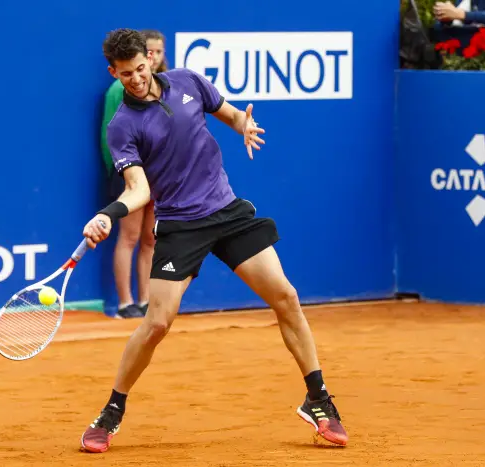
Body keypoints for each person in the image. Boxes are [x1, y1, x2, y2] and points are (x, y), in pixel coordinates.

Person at [80, 28, 348, 453]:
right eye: (125, 73)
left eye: (140, 68)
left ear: (151, 60)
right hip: (180, 226)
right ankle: (112, 409)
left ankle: (318, 399)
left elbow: (229, 113)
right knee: (157, 323)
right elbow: (138, 189)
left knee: (286, 296)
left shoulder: (188, 81)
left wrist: (244, 124)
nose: (135, 78)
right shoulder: (123, 126)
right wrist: (108, 214)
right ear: (113, 72)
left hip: (225, 210)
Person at [99, 30, 168, 319]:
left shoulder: (168, 88)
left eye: (158, 53)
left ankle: (145, 300)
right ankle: (126, 303)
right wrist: (122, 174)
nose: (154, 58)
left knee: (150, 240)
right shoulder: (119, 92)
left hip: (158, 176)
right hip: (129, 175)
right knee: (128, 238)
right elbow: (112, 137)